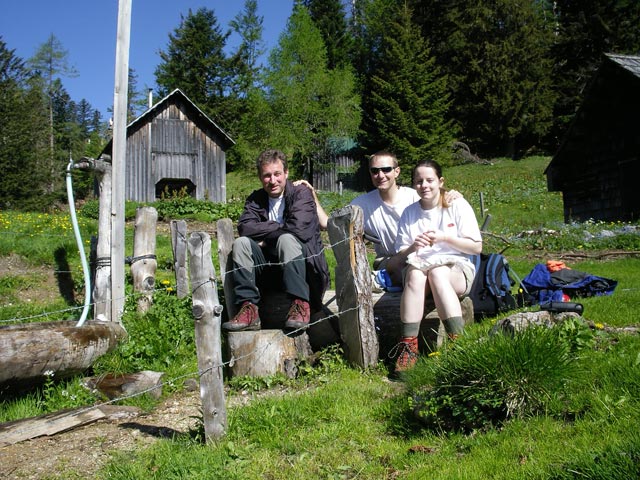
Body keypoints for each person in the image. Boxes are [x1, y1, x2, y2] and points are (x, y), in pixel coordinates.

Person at [297, 151, 460, 286]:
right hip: (390, 262)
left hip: (423, 256)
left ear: (397, 171)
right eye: (374, 171)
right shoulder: (361, 204)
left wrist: (453, 195)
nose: (380, 175)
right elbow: (328, 224)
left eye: (386, 169)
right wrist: (311, 195)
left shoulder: (414, 196)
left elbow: (442, 202)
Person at [222, 149, 330, 332]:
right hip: (270, 272)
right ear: (260, 177)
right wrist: (278, 228)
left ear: (286, 173)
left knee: (287, 239)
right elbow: (245, 227)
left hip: (306, 270)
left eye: (277, 174)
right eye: (266, 176)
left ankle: (300, 305)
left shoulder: (301, 193)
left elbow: (298, 230)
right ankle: (248, 308)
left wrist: (266, 240)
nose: (272, 181)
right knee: (241, 244)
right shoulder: (256, 199)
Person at [392, 159, 482, 371]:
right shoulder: (409, 213)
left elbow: (476, 247)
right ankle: (408, 346)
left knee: (438, 273)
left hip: (456, 270)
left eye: (429, 180)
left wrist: (444, 238)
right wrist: (413, 246)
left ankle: (457, 343)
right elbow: (399, 255)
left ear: (440, 182)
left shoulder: (456, 205)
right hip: (419, 270)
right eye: (419, 181)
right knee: (415, 273)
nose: (424, 185)